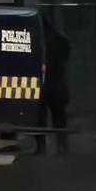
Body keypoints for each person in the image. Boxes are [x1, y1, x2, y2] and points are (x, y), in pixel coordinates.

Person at [36, 12, 71, 155]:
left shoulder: (35, 40)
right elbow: (66, 56)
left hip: (42, 84)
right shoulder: (59, 38)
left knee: (40, 118)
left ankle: (42, 147)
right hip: (56, 83)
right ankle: (61, 146)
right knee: (59, 117)